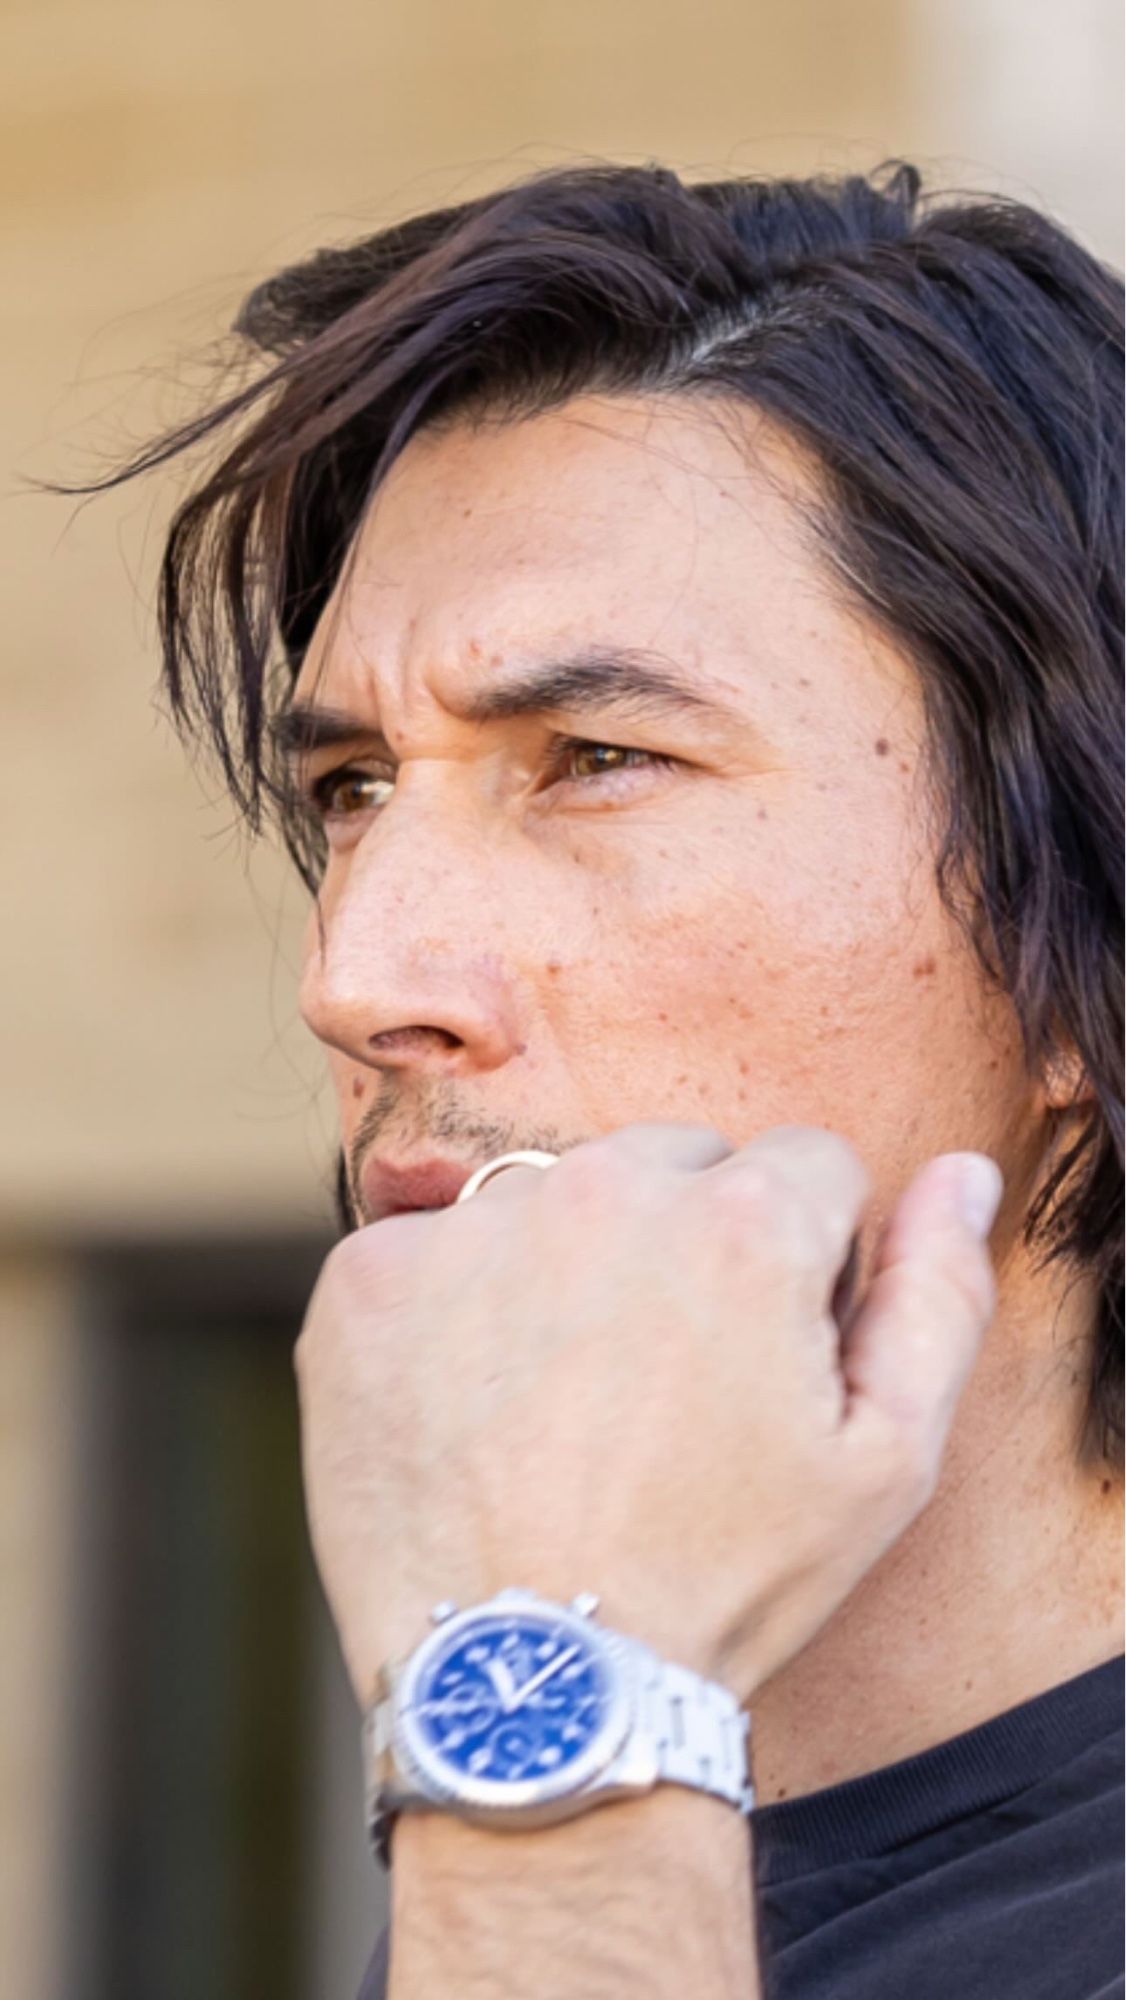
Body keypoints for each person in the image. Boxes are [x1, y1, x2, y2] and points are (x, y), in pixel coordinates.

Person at [103, 162, 1123, 1996]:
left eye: (592, 758)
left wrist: (558, 1740)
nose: (358, 980)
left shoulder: (568, 1830)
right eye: (350, 791)